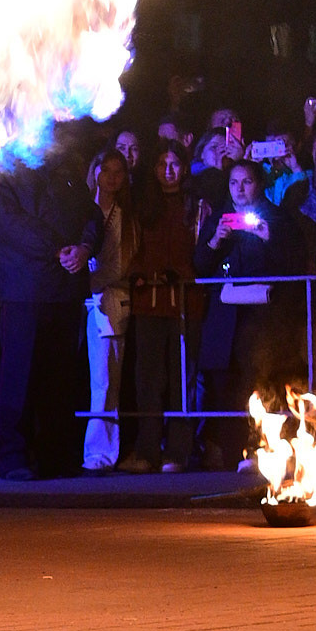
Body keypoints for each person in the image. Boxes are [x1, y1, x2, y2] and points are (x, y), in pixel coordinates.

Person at [0, 152, 90, 479]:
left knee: (60, 378)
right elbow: (9, 224)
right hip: (23, 293)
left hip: (65, 291)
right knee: (19, 376)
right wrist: (58, 248)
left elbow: (92, 214)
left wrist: (85, 247)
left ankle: (56, 455)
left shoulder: (64, 167)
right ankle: (13, 457)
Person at [193, 158, 281, 467]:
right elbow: (199, 265)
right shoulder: (219, 219)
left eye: (246, 182)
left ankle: (258, 450)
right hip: (223, 317)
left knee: (257, 383)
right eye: (234, 183)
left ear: (259, 184)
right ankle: (230, 453)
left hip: (260, 317)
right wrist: (216, 240)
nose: (240, 189)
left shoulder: (275, 218)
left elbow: (292, 263)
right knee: (223, 386)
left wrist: (270, 239)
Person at [127, 141, 197, 470]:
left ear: (184, 167)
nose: (168, 170)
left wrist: (182, 274)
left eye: (174, 164)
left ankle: (178, 451)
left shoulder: (195, 205)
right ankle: (147, 450)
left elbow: (200, 252)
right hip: (149, 302)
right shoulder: (142, 206)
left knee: (181, 378)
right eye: (161, 164)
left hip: (184, 301)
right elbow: (131, 251)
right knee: (148, 379)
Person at [81, 147, 135, 471]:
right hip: (83, 298)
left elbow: (123, 262)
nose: (112, 177)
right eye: (106, 170)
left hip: (111, 298)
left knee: (105, 380)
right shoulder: (82, 209)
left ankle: (99, 453)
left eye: (118, 172)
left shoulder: (125, 214)